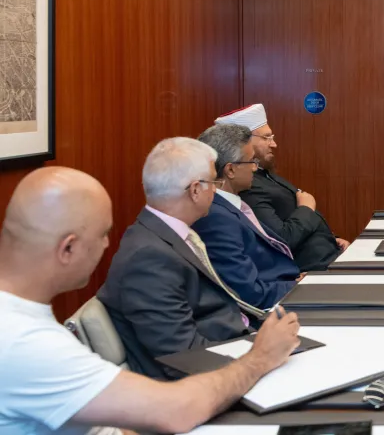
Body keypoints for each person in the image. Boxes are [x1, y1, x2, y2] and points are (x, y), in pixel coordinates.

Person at [0, 167, 301, 435]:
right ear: (68, 248)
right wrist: (260, 358)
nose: (107, 244)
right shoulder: (27, 343)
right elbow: (176, 411)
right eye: (103, 234)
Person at [99, 138, 265, 379]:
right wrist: (261, 358)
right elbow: (184, 357)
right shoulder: (148, 258)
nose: (216, 190)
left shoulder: (167, 235)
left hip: (238, 345)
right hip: (211, 380)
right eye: (213, 182)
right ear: (196, 190)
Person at [216, 104, 349, 271]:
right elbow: (282, 239)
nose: (274, 144)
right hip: (311, 272)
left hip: (330, 256)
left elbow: (286, 214)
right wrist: (306, 208)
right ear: (246, 142)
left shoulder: (265, 174)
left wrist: (330, 239)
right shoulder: (247, 185)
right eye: (266, 137)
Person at [193, 124, 300, 309]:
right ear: (230, 170)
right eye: (251, 161)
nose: (255, 168)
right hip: (271, 309)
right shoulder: (215, 218)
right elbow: (250, 293)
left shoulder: (231, 205)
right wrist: (299, 286)